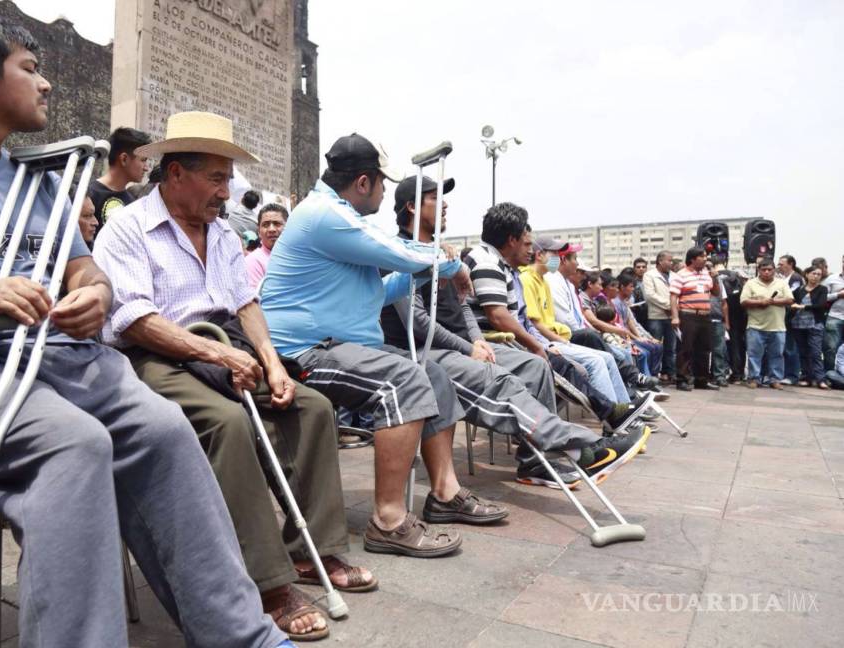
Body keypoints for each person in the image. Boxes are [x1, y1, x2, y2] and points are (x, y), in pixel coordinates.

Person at [0, 15, 287, 647]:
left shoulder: (36, 182)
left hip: (61, 356)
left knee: (164, 429)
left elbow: (85, 269)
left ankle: (243, 635)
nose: (45, 85)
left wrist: (95, 295)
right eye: (30, 69)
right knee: (75, 443)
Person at [93, 112, 372, 641]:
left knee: (310, 407)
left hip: (224, 345)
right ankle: (266, 583)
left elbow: (245, 304)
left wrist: (271, 362)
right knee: (228, 424)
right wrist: (217, 356)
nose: (226, 192)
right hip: (155, 355)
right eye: (217, 178)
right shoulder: (127, 228)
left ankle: (312, 551)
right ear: (177, 173)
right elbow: (134, 319)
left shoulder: (221, 232)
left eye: (227, 179)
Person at [262, 133, 508, 560]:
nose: (382, 192)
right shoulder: (325, 215)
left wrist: (432, 268)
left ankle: (445, 493)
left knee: (433, 373)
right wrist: (449, 263)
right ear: (363, 182)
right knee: (403, 380)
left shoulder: (338, 217)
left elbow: (380, 288)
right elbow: (400, 253)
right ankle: (389, 521)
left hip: (339, 345)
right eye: (381, 183)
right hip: (304, 351)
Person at [380, 176, 647, 487]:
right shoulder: (398, 254)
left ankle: (535, 461)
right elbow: (417, 321)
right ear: (412, 207)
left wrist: (476, 340)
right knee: (499, 378)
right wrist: (469, 348)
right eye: (435, 198)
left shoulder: (442, 254)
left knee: (536, 365)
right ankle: (582, 447)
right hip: (427, 350)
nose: (446, 204)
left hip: (465, 344)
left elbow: (463, 305)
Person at [464, 204, 653, 433]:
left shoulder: (508, 268)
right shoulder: (489, 262)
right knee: (559, 364)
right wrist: (538, 345)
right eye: (527, 243)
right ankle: (560, 431)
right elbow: (499, 317)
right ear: (512, 240)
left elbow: (517, 319)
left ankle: (610, 413)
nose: (531, 251)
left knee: (576, 360)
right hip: (498, 342)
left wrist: (544, 343)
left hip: (514, 339)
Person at [520, 236, 636, 405]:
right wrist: (559, 342)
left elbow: (549, 321)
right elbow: (535, 324)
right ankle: (612, 413)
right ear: (539, 255)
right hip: (548, 341)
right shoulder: (527, 279)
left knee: (608, 357)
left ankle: (626, 407)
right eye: (554, 254)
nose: (558, 259)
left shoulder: (543, 281)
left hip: (557, 338)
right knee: (595, 361)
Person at [740, 258, 795, 388]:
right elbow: (743, 301)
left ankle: (775, 379)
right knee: (754, 355)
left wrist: (772, 302)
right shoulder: (751, 283)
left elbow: (790, 300)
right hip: (755, 326)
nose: (766, 272)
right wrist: (760, 302)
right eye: (763, 269)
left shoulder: (781, 283)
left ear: (774, 270)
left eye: (769, 269)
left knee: (777, 355)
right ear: (758, 270)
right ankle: (754, 379)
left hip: (777, 327)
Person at [670, 247, 719, 391]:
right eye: (702, 256)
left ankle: (701, 380)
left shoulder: (706, 274)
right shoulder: (681, 275)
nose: (705, 259)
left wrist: (714, 277)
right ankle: (682, 380)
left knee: (704, 349)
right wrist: (675, 317)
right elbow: (673, 297)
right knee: (686, 348)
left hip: (705, 315)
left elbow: (716, 292)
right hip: (688, 314)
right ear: (692, 259)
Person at [88, 126, 151, 230]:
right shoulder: (89, 195)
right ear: (124, 159)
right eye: (143, 160)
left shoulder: (132, 202)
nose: (146, 168)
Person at [613, 272, 663, 378]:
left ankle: (653, 376)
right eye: (631, 286)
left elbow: (631, 322)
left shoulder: (623, 302)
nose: (633, 289)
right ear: (622, 287)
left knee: (657, 346)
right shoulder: (615, 303)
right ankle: (644, 379)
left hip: (629, 336)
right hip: (622, 338)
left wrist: (642, 337)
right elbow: (621, 327)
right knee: (645, 352)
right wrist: (636, 338)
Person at [789, 266, 829, 389]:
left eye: (818, 274)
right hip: (798, 324)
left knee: (816, 352)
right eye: (813, 273)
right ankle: (806, 377)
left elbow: (821, 305)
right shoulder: (799, 289)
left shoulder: (822, 289)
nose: (816, 276)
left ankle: (820, 379)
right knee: (803, 352)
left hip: (815, 324)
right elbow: (791, 302)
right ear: (806, 274)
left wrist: (803, 307)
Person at [644, 251, 677, 384]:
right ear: (660, 261)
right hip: (656, 315)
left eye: (672, 260)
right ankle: (654, 374)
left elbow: (678, 294)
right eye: (669, 260)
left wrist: (673, 308)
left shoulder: (674, 276)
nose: (671, 263)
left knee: (671, 347)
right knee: (655, 346)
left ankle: (668, 373)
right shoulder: (649, 275)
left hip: (672, 316)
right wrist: (669, 305)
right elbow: (650, 295)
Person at [245, 202, 289, 290]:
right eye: (265, 225)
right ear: (258, 231)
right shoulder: (252, 261)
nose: (271, 229)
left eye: (277, 224)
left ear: (289, 227)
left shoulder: (299, 256)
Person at [777, 255, 804, 385]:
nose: (779, 266)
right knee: (783, 347)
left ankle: (792, 375)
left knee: (790, 347)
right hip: (783, 317)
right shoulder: (783, 278)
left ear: (790, 264)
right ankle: (784, 373)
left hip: (792, 318)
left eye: (781, 264)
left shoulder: (796, 278)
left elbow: (790, 296)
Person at [704, 259, 731, 387]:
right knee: (702, 350)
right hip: (701, 319)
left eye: (710, 267)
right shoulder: (696, 280)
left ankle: (719, 376)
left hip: (717, 320)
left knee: (719, 350)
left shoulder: (718, 281)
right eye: (705, 267)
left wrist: (726, 322)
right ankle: (702, 375)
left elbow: (724, 303)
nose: (708, 269)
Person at [821, 255, 844, 373]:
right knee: (830, 348)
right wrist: (838, 295)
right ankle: (830, 374)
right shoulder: (832, 279)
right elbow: (821, 297)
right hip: (835, 317)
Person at [631, 257, 649, 330]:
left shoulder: (650, 281)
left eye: (643, 267)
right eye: (638, 267)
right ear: (634, 269)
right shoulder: (631, 282)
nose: (641, 269)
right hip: (637, 315)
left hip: (650, 315)